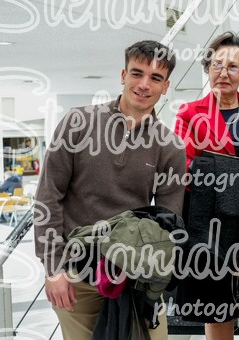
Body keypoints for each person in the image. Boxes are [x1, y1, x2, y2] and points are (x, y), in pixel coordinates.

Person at [34, 40, 186, 339]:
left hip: (134, 277)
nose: (144, 85)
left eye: (155, 78)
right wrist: (53, 268)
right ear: (123, 75)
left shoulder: (169, 146)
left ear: (166, 86)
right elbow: (48, 197)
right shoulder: (78, 123)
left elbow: (167, 223)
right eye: (137, 73)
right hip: (76, 276)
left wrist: (152, 281)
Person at [174, 32, 239, 340]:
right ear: (207, 68)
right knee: (216, 307)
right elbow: (184, 166)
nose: (223, 73)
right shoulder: (189, 113)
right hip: (210, 224)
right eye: (217, 65)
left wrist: (214, 165)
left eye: (233, 67)